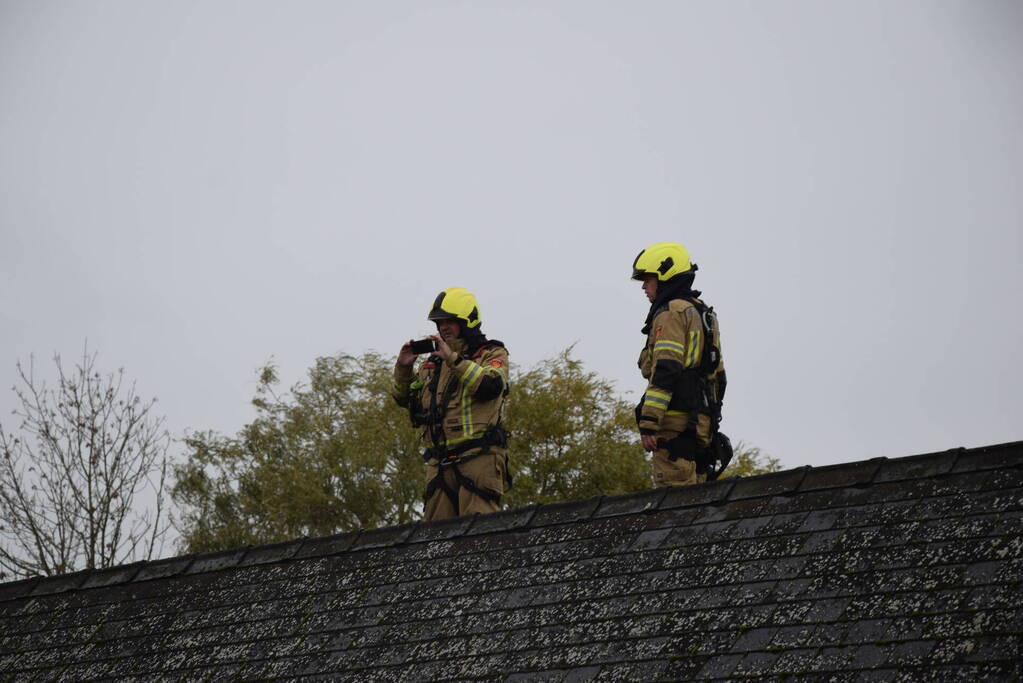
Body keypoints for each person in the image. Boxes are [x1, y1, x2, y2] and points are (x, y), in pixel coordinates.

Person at [392, 287, 510, 520]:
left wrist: (453, 359)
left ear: (468, 321)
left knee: (481, 536)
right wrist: (404, 368)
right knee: (436, 544)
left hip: (479, 459)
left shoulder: (492, 353)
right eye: (439, 322)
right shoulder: (433, 364)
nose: (443, 327)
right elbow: (404, 399)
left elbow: (491, 385)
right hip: (439, 465)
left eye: (450, 321)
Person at [632, 242, 727, 486]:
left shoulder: (671, 313)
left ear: (664, 277)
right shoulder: (703, 313)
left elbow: (666, 369)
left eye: (648, 279)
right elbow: (719, 376)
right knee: (700, 505)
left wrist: (649, 422)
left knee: (674, 508)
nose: (644, 286)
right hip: (701, 427)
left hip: (673, 427)